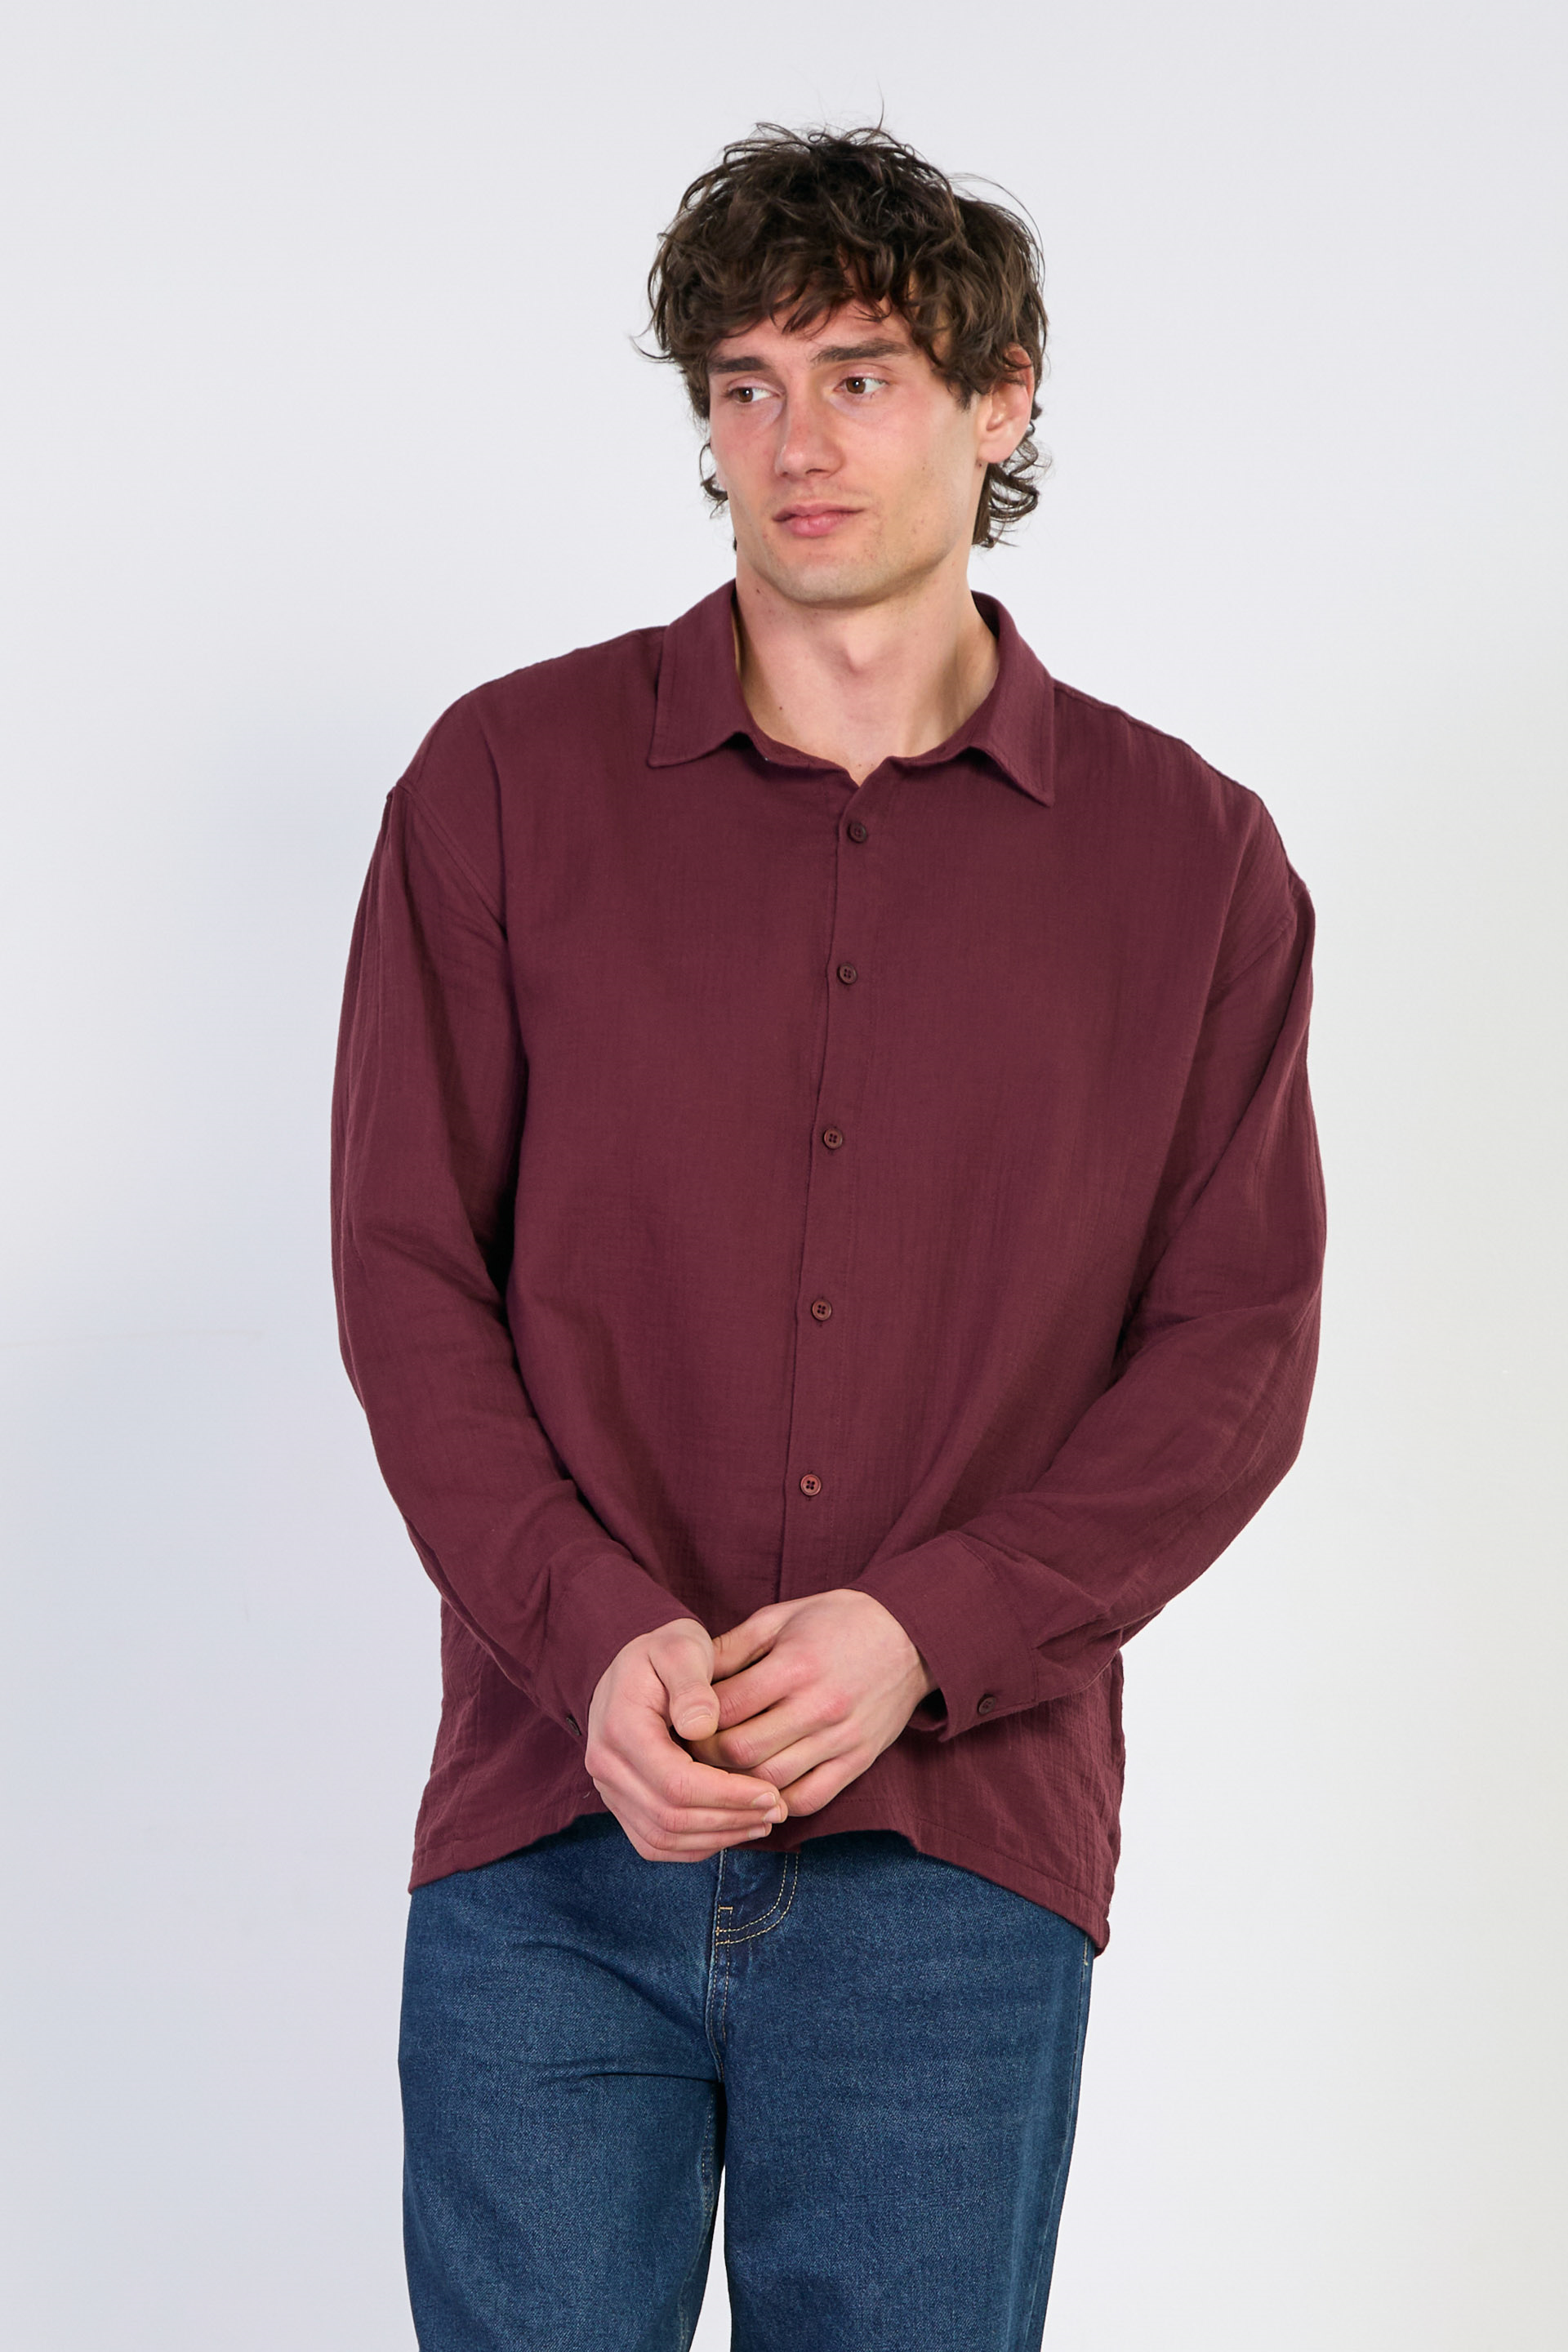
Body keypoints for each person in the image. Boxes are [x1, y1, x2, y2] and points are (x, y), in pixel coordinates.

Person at [331, 122, 1325, 2352]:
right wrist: (589, 1632)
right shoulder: (501, 787)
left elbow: (1235, 1353)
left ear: (1002, 400)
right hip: (549, 1828)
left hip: (950, 1857)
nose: (795, 442)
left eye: (862, 376)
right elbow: (408, 1277)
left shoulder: (1194, 865)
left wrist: (929, 1631)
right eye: (746, 384)